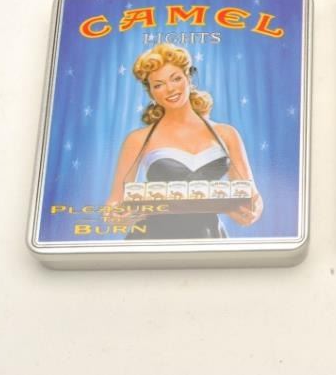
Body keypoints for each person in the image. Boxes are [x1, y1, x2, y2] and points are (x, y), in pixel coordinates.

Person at [105, 43, 262, 238]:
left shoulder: (227, 134)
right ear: (151, 92)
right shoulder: (138, 139)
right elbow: (113, 205)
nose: (170, 89)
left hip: (209, 238)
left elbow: (252, 195)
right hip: (153, 238)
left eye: (176, 78)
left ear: (188, 78)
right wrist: (121, 216)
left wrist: (252, 211)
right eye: (158, 85)